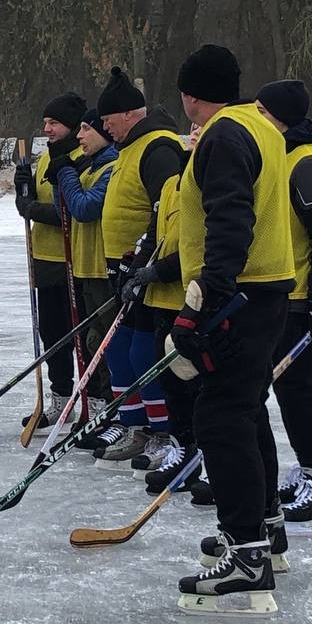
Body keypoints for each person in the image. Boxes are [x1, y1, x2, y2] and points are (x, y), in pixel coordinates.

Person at [169, 44, 295, 617]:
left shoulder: (221, 135)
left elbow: (230, 218)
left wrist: (203, 300)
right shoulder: (262, 126)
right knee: (244, 410)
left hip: (240, 293)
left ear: (192, 95)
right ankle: (264, 529)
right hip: (267, 289)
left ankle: (247, 555)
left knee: (219, 416)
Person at [255, 80, 312, 534]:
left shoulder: (306, 164)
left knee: (299, 392)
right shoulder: (283, 158)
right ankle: (311, 472)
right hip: (288, 298)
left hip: (305, 301)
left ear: (278, 117)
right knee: (290, 392)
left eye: (260, 110)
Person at [92, 67, 185, 472]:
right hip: (124, 269)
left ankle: (163, 431)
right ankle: (134, 424)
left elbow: (166, 210)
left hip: (151, 271)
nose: (104, 127)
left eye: (109, 120)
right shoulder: (130, 146)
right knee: (118, 348)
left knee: (144, 351)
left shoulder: (157, 147)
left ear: (130, 114)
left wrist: (144, 261)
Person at [123, 124, 200, 495]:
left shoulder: (208, 180)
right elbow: (156, 236)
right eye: (194, 129)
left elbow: (192, 249)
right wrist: (138, 270)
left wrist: (159, 270)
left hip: (190, 297)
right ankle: (182, 447)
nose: (196, 132)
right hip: (161, 300)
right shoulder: (173, 184)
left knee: (193, 383)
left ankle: (200, 453)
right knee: (170, 380)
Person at [14, 93, 88, 432]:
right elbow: (31, 205)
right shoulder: (47, 157)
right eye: (45, 123)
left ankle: (90, 400)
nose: (47, 129)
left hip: (72, 261)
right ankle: (60, 398)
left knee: (79, 336)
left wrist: (34, 210)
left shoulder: (79, 156)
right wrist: (23, 192)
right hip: (44, 258)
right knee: (52, 333)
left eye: (53, 123)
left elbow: (67, 212)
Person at [54, 107, 119, 426]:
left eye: (85, 130)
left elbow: (85, 208)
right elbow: (64, 208)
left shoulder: (110, 167)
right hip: (85, 267)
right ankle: (104, 409)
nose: (79, 136)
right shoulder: (90, 167)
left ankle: (117, 412)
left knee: (106, 343)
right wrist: (58, 178)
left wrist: (65, 172)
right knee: (94, 342)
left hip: (102, 269)